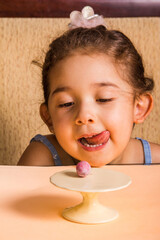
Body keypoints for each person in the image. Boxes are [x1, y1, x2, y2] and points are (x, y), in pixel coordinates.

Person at [18, 6, 160, 167]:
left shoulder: (156, 162)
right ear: (48, 117)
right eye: (66, 103)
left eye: (104, 99)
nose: (84, 116)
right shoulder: (42, 158)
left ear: (139, 107)